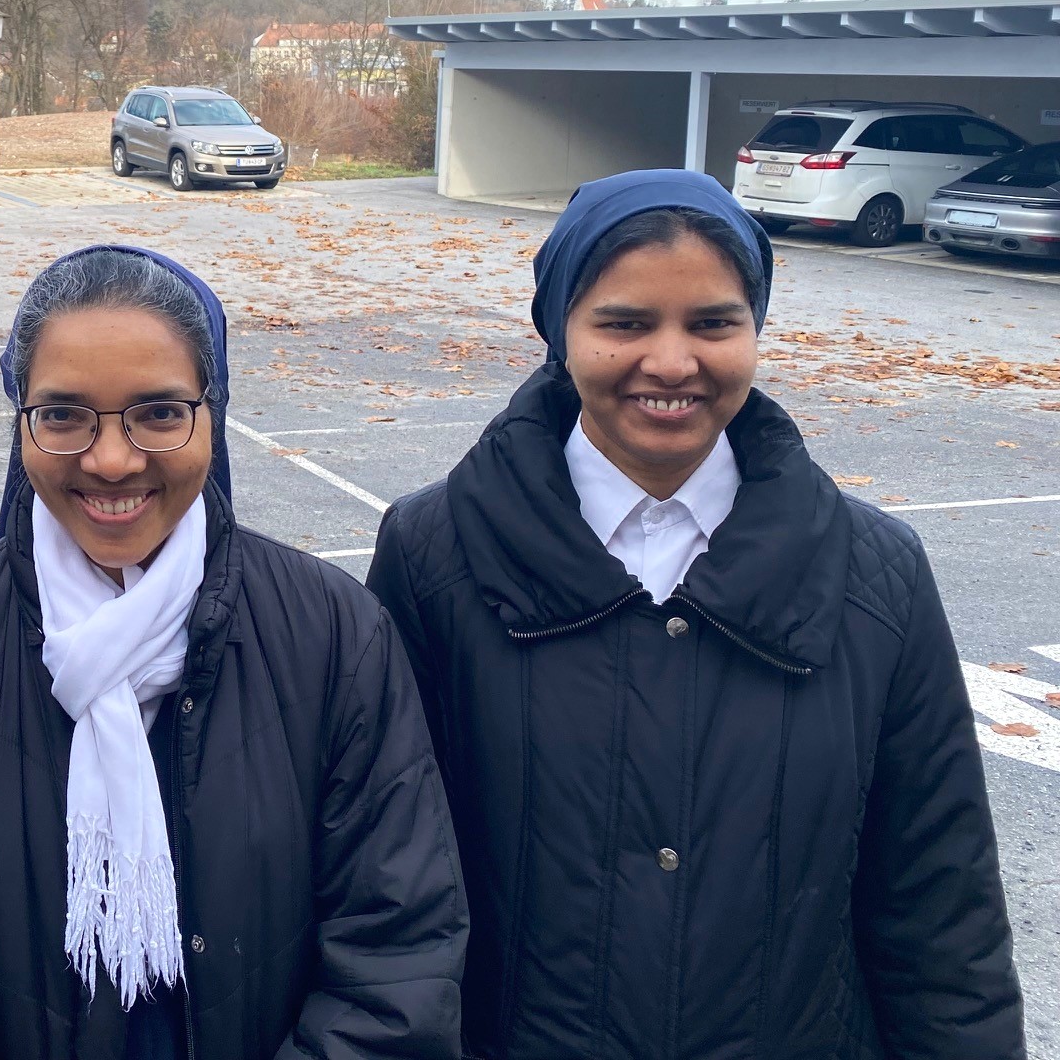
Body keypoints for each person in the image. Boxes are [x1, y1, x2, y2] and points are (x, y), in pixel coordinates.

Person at [366, 169, 1024, 1059]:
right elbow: (389, 885)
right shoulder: (433, 552)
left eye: (714, 323)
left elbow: (940, 905)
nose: (672, 363)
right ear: (558, 332)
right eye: (624, 323)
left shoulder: (877, 574)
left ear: (755, 331)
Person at [0, 245, 466, 1060]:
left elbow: (397, 954)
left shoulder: (336, 638)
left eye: (159, 413)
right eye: (63, 414)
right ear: (22, 421)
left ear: (213, 414)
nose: (111, 458)